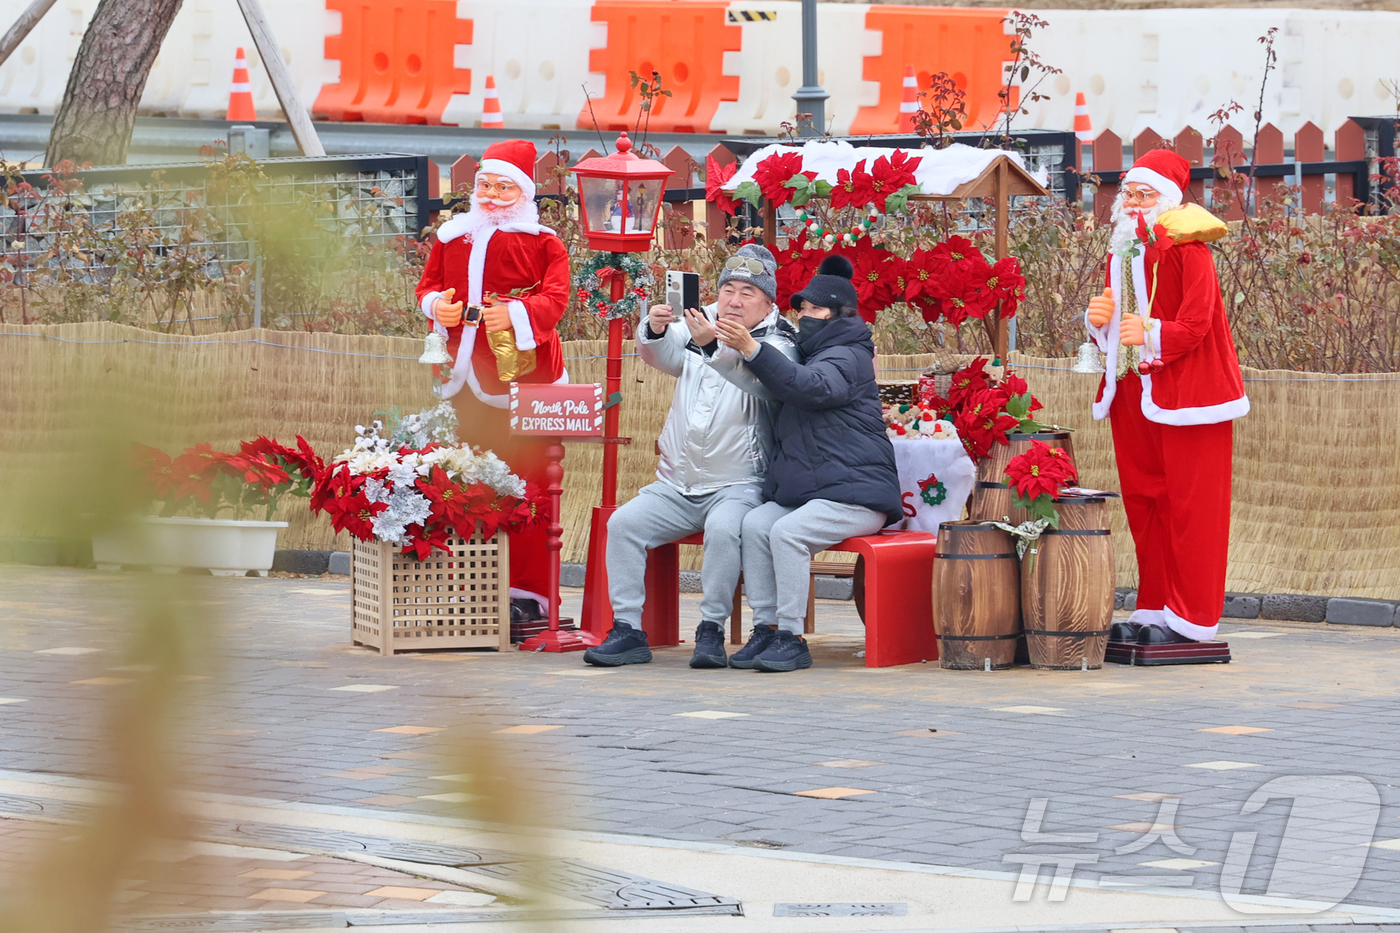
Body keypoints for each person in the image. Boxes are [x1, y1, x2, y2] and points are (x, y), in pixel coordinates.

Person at [583, 244, 800, 668]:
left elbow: (765, 384)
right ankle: (628, 630)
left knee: (722, 531)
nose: (734, 301)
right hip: (676, 483)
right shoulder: (700, 321)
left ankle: (711, 630)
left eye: (747, 293)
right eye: (728, 290)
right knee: (622, 524)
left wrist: (712, 348)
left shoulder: (780, 341)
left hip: (740, 485)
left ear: (768, 303)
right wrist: (656, 328)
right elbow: (661, 357)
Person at [1084, 149, 1249, 646]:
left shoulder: (1189, 249)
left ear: (1167, 200)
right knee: (1146, 502)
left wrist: (1150, 331)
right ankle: (1154, 608)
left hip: (1189, 396)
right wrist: (1098, 326)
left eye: (1144, 194)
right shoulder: (1120, 250)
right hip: (1133, 391)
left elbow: (1198, 324)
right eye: (1128, 193)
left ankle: (1193, 620)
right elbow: (1118, 326)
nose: (1133, 202)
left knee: (1193, 508)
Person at [715, 255, 903, 672]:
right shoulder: (810, 350)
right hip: (819, 492)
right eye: (800, 308)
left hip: (857, 497)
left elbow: (815, 389)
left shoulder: (847, 355)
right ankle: (765, 628)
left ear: (838, 314)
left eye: (813, 309)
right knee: (756, 523)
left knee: (787, 532)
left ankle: (791, 635)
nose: (803, 315)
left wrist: (753, 348)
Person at [415, 139, 571, 624]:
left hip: (520, 379)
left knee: (526, 487)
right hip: (461, 379)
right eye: (486, 185)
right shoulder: (450, 238)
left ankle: (527, 594)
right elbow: (426, 288)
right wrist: (434, 307)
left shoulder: (544, 242)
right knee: (466, 485)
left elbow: (557, 300)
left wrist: (517, 313)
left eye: (505, 187)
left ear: (523, 191)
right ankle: (471, 586)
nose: (494, 195)